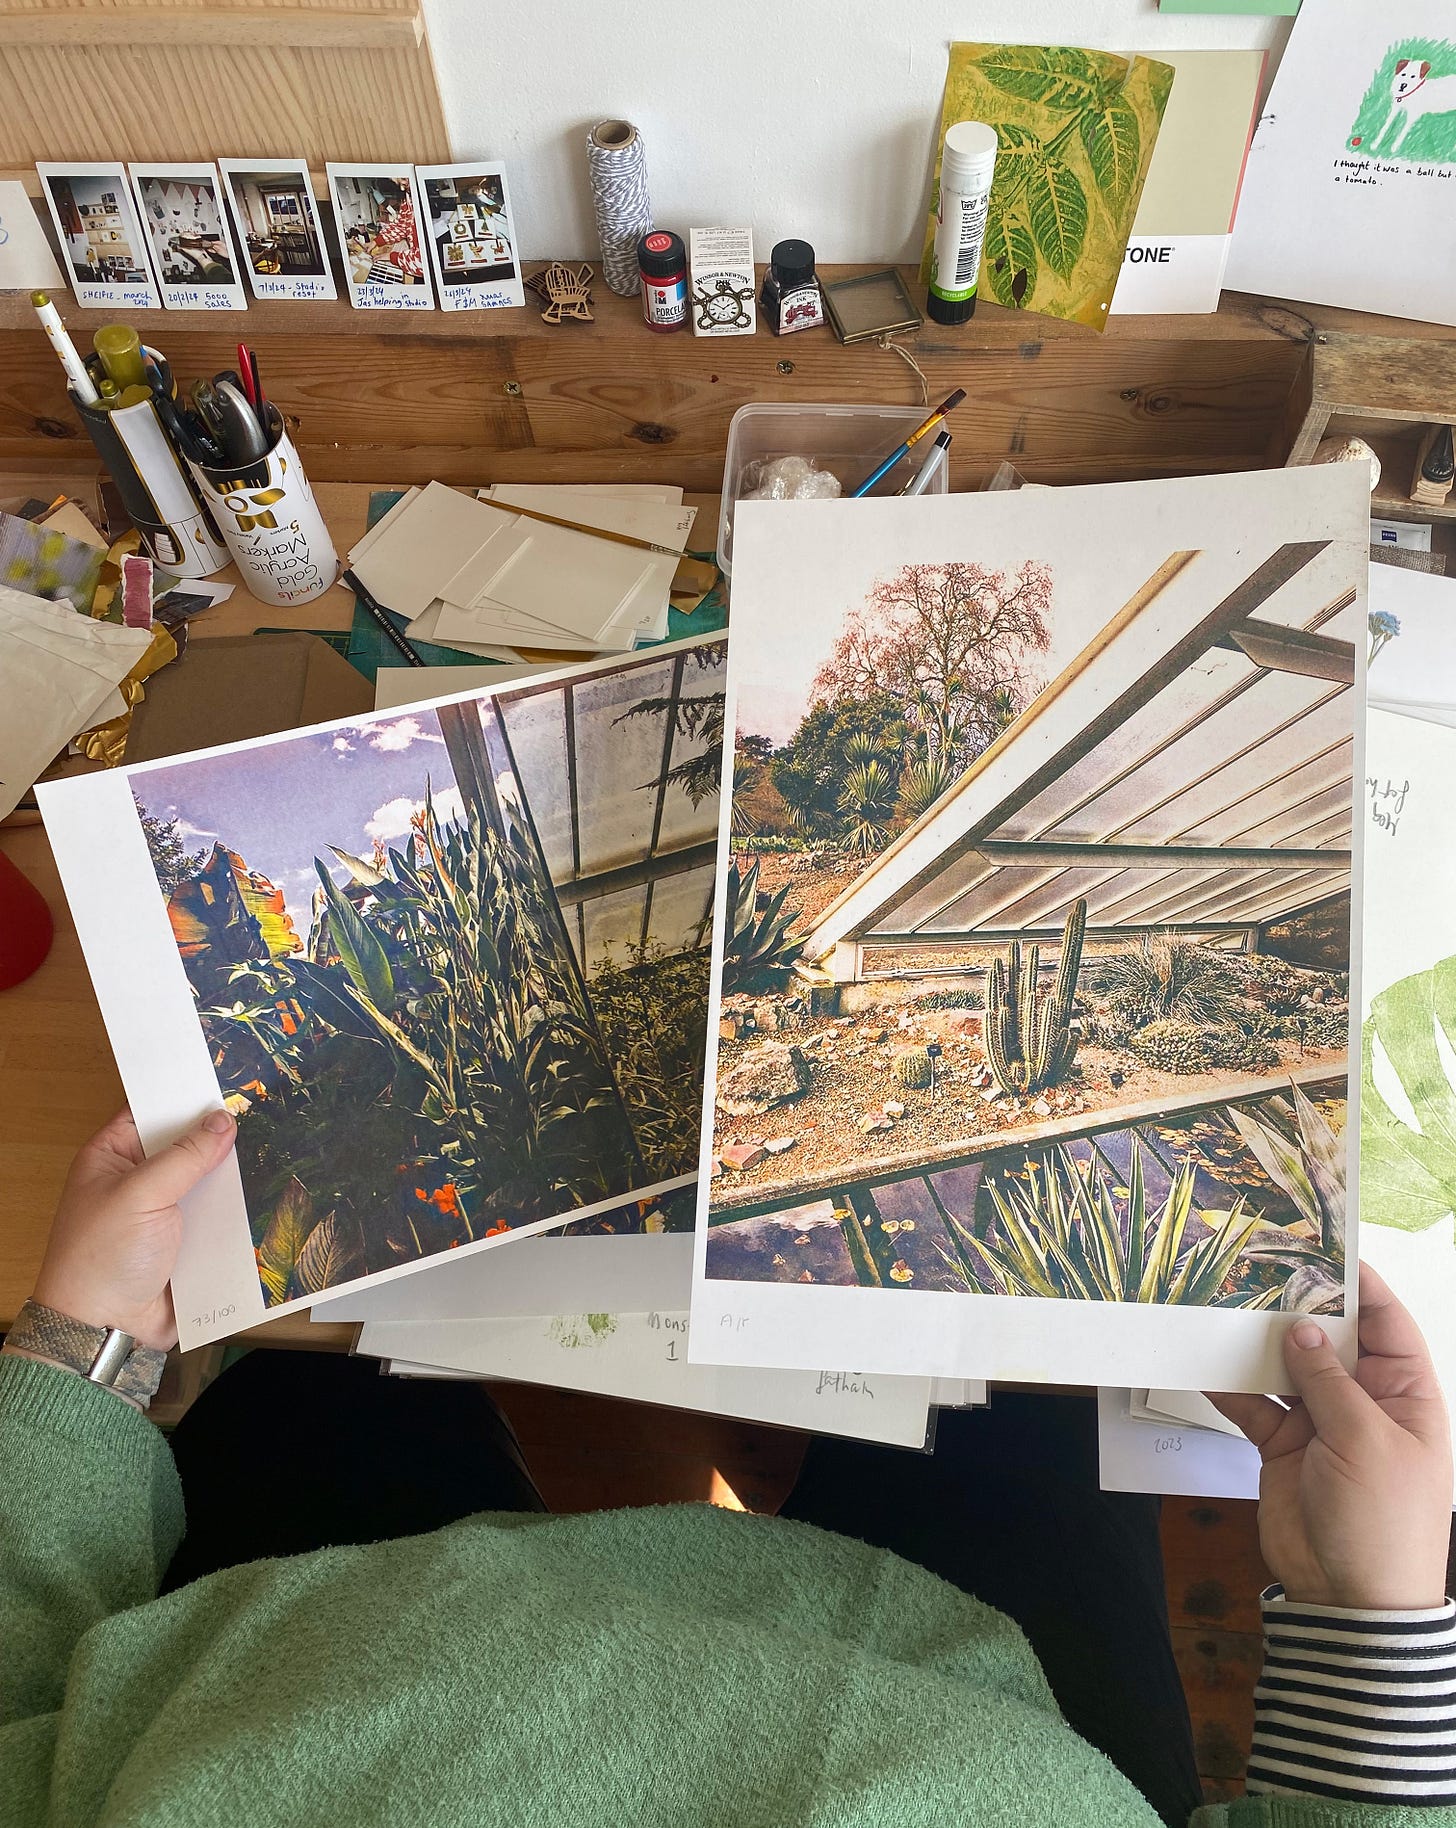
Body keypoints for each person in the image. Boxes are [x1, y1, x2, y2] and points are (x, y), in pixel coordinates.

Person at [3, 1110, 1453, 1828]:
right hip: (993, 1703)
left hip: (300, 1635)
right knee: (1014, 1377)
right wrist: (1375, 1615)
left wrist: (80, 1361)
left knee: (328, 1363)